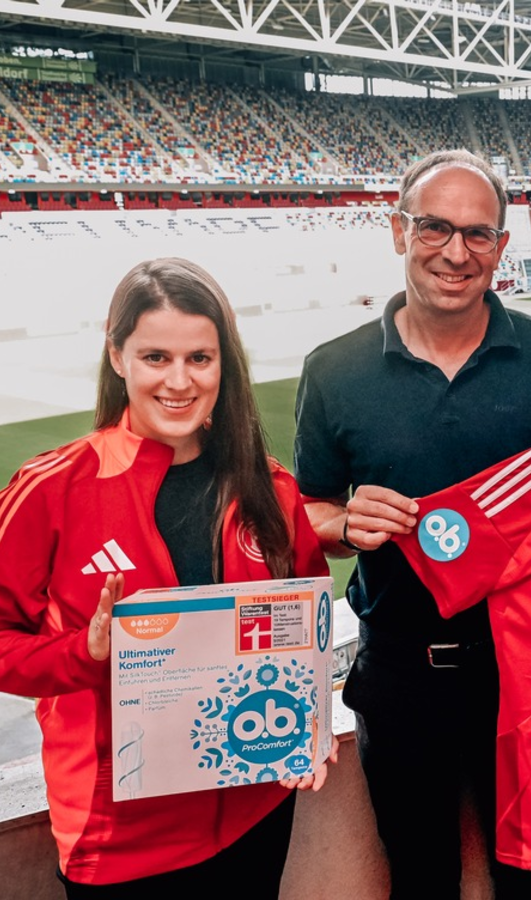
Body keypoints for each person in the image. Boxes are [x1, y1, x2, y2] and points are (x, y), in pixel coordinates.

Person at [293, 148, 531, 900]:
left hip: (527, 671)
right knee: (420, 878)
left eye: (478, 234)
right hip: (398, 673)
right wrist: (345, 523)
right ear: (398, 230)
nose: (456, 253)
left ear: (502, 246)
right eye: (435, 228)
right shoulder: (332, 370)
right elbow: (309, 509)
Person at [0, 257, 332, 897]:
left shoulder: (269, 488)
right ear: (117, 356)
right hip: (123, 844)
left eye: (199, 358)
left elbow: (302, 634)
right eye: (156, 357)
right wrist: (83, 655)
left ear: (223, 364)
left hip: (258, 809)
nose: (179, 381)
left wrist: (309, 729)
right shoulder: (51, 490)